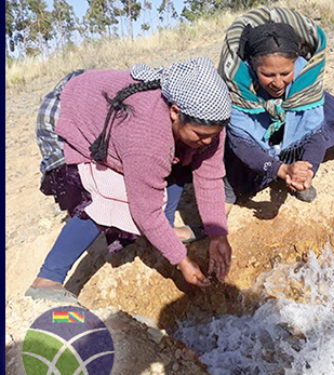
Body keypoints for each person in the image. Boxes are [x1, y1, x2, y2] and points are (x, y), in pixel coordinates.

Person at [26, 57, 233, 303]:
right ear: (175, 112)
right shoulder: (146, 135)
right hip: (68, 112)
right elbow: (145, 210)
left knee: (181, 157)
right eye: (201, 135)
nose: (208, 141)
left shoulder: (210, 122)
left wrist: (218, 234)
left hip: (115, 117)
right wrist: (182, 261)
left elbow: (209, 177)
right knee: (106, 197)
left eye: (213, 136)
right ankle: (48, 279)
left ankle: (165, 232)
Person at [218, 7, 334, 212]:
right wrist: (280, 169)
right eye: (268, 75)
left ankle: (297, 174)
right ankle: (280, 170)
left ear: (295, 64)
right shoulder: (238, 85)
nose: (278, 83)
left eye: (285, 73)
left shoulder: (304, 76)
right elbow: (242, 144)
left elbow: (313, 134)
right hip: (256, 133)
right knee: (238, 179)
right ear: (253, 66)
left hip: (289, 124)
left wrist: (307, 170)